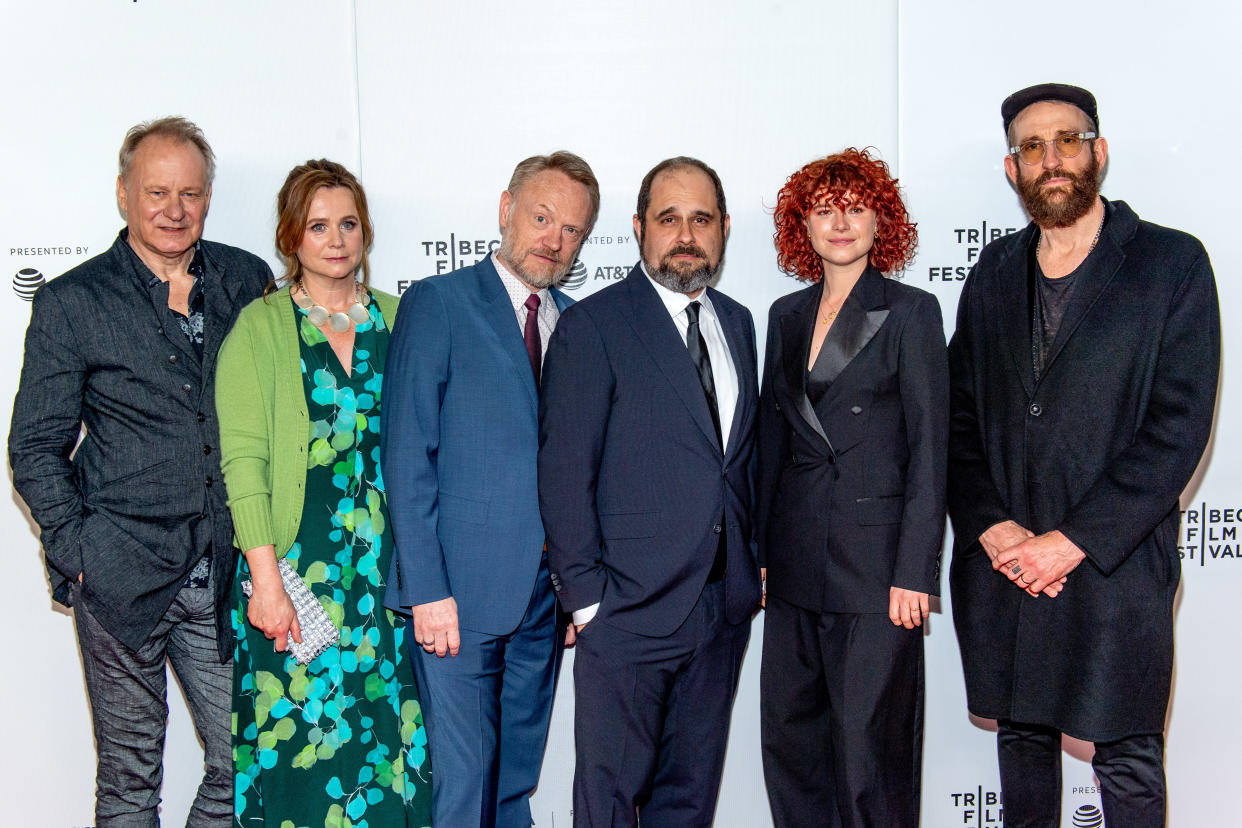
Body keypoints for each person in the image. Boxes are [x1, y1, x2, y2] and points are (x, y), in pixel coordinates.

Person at [948, 83, 1220, 828]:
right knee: (1023, 745)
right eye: (1030, 147)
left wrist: (1070, 543)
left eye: (1067, 140)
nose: (1050, 159)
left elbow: (1178, 427)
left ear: (1098, 153)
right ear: (1013, 171)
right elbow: (959, 418)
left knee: (1127, 761)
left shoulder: (1171, 264)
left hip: (1114, 568)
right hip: (1005, 571)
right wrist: (993, 528)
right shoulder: (992, 273)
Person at [9, 116, 271, 826]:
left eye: (189, 192)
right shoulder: (73, 300)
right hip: (120, 572)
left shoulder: (248, 279)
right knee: (129, 780)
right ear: (124, 193)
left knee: (245, 759)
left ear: (208, 196)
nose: (174, 209)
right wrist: (80, 553)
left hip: (222, 568)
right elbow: (34, 445)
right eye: (157, 192)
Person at [539, 156, 762, 827]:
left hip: (719, 611)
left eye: (701, 219)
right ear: (639, 229)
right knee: (607, 806)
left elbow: (739, 463)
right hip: (626, 614)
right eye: (669, 219)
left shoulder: (740, 322)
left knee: (687, 804)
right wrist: (586, 604)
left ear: (723, 229)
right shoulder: (596, 325)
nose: (685, 234)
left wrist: (753, 565)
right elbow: (564, 471)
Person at [381, 151, 599, 827]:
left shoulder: (578, 323)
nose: (553, 240)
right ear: (506, 209)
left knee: (515, 778)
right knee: (464, 778)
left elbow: (580, 468)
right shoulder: (438, 303)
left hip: (543, 598)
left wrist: (574, 588)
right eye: (541, 217)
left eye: (572, 231)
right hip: (457, 597)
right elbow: (406, 453)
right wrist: (426, 590)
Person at [216, 159, 431, 826]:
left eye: (348, 224)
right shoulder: (262, 327)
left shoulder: (405, 319)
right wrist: (267, 583)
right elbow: (243, 464)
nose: (335, 240)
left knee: (389, 750)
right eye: (318, 226)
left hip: (388, 582)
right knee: (301, 757)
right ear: (291, 237)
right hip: (294, 575)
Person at [756, 148, 948, 827]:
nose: (841, 222)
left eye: (857, 208)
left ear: (881, 222)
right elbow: (772, 447)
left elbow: (931, 450)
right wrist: (759, 558)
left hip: (877, 576)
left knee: (871, 758)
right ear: (801, 225)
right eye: (825, 209)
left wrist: (915, 571)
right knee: (792, 747)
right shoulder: (784, 315)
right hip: (794, 568)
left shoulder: (910, 312)